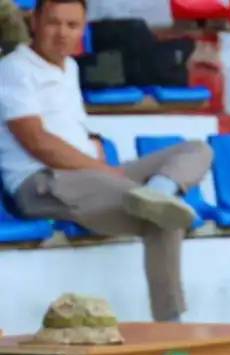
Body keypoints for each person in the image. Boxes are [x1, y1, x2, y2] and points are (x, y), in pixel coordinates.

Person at [0, 0, 211, 322]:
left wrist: (92, 142)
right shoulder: (14, 67)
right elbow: (38, 141)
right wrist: (106, 171)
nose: (62, 34)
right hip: (42, 181)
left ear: (83, 30)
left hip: (90, 175)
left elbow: (68, 126)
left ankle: (158, 191)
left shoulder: (69, 68)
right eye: (54, 23)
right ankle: (171, 324)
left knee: (196, 150)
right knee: (166, 216)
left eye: (72, 26)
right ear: (35, 22)